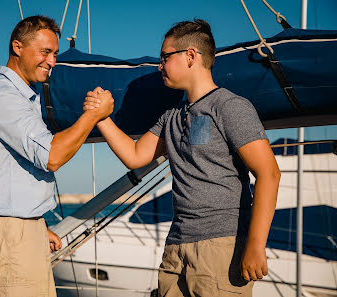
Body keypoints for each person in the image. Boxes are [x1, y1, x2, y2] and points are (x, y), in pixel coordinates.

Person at [84, 19, 280, 297]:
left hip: (221, 248)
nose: (159, 65)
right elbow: (136, 156)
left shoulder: (229, 107)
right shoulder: (173, 116)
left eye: (164, 57)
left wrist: (256, 246)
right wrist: (100, 117)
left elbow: (269, 173)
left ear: (190, 56)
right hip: (176, 247)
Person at [0, 15, 113, 297]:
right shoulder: (2, 97)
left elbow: (13, 172)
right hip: (11, 232)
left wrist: (35, 226)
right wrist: (94, 114)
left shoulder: (22, 97)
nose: (52, 62)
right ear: (17, 47)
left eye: (55, 54)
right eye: (45, 52)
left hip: (20, 229)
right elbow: (51, 156)